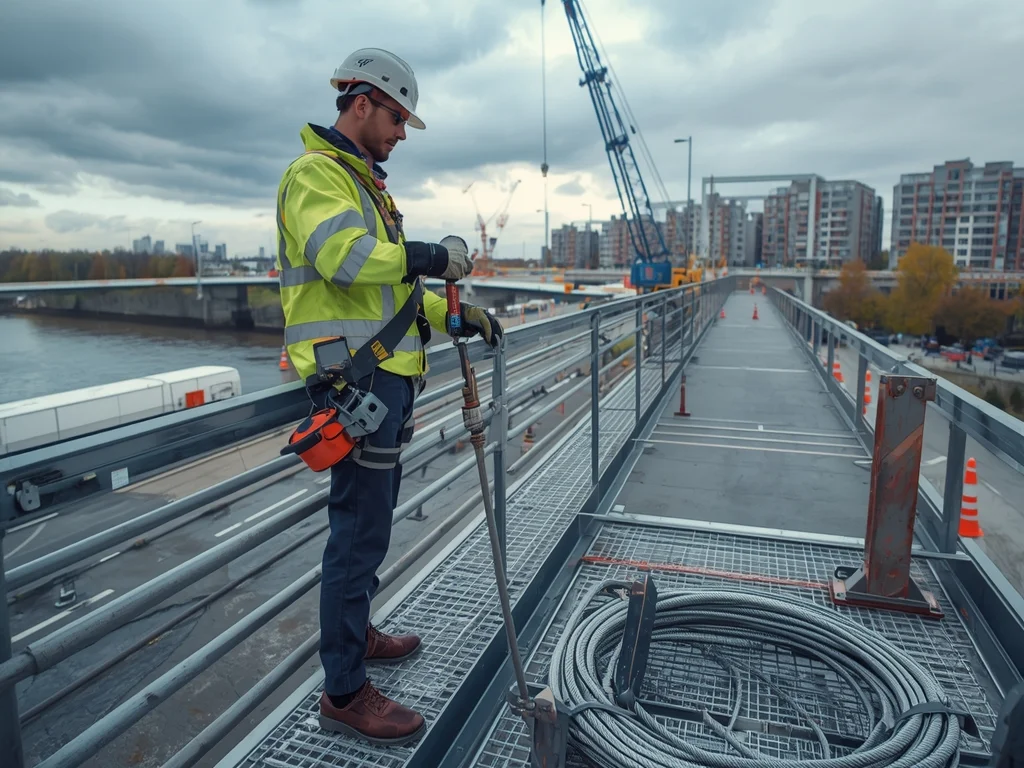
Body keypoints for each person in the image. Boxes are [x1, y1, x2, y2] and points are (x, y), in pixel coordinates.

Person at [274, 48, 504, 745]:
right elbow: (343, 260)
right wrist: (433, 254)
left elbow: (393, 293)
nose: (402, 134)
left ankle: (358, 635)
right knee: (356, 536)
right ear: (364, 101)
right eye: (399, 118)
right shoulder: (316, 177)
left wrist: (452, 315)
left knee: (369, 531)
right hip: (356, 383)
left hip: (381, 384)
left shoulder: (366, 188)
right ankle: (344, 690)